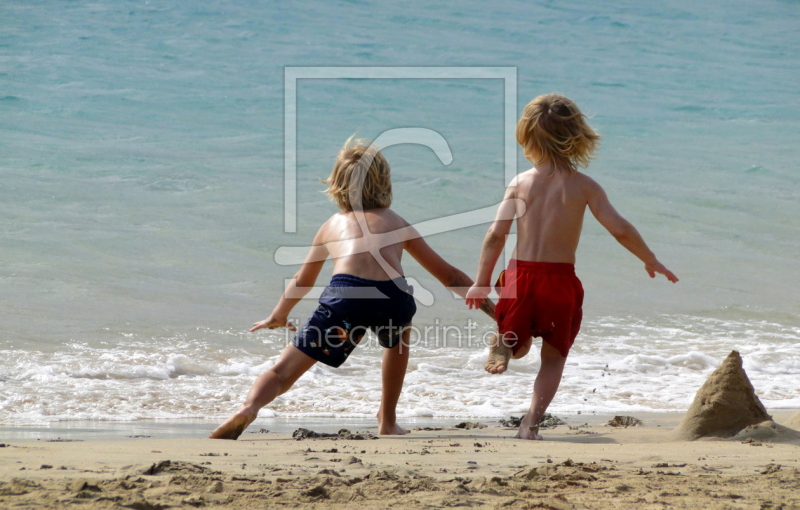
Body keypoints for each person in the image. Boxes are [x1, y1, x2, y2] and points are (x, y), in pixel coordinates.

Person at [211, 136, 494, 440]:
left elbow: (303, 280)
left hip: (346, 296)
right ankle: (387, 420)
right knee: (398, 339)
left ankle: (249, 408)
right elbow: (449, 275)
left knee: (282, 372)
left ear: (337, 184)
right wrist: (498, 313)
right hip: (392, 297)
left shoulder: (331, 225)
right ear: (384, 183)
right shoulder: (397, 221)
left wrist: (278, 315)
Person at [465, 94, 678, 440]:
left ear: (527, 138)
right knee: (553, 357)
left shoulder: (520, 183)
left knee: (518, 343)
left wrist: (481, 281)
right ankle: (530, 424)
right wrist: (649, 259)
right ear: (577, 135)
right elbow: (620, 229)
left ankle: (505, 343)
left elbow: (495, 235)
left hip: (520, 277)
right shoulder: (585, 187)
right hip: (559, 284)